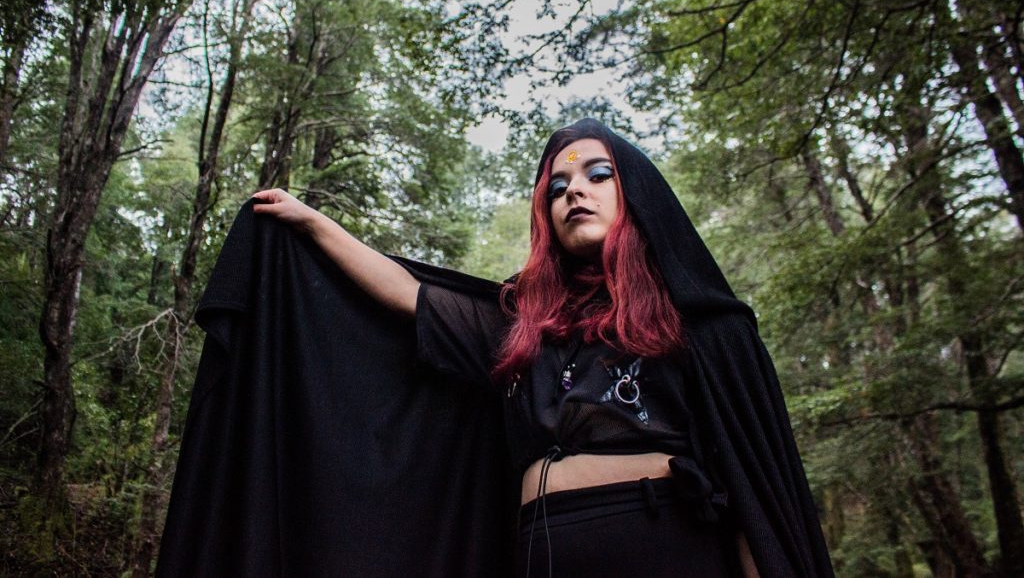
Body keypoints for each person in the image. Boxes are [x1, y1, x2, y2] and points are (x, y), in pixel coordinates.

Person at [157, 119, 832, 577]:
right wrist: (312, 225)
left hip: (663, 548)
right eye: (558, 187)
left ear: (637, 195)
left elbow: (754, 498)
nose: (574, 191)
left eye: (598, 175)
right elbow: (408, 294)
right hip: (539, 552)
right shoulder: (521, 328)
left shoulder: (704, 326)